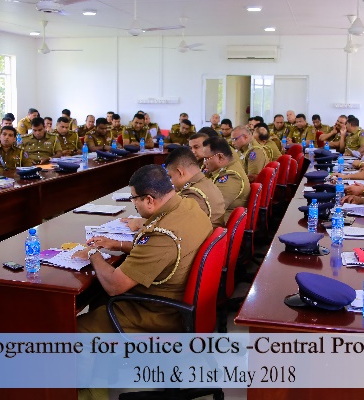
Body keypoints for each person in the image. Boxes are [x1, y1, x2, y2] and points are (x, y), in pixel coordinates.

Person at [74, 164, 213, 332]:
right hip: (178, 299)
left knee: (70, 328)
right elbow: (160, 254)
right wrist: (117, 244)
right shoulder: (189, 206)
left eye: (134, 198)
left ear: (149, 200)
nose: (134, 203)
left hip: (154, 312)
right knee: (97, 299)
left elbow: (114, 286)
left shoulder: (163, 234)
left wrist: (92, 253)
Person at [165, 147, 226, 227]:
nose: (171, 181)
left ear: (180, 172)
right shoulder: (206, 183)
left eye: (171, 177)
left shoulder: (192, 194)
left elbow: (173, 223)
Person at [202, 136, 250, 223]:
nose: (204, 163)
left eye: (206, 158)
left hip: (218, 223)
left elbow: (212, 207)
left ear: (220, 157)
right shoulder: (226, 168)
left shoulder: (232, 176)